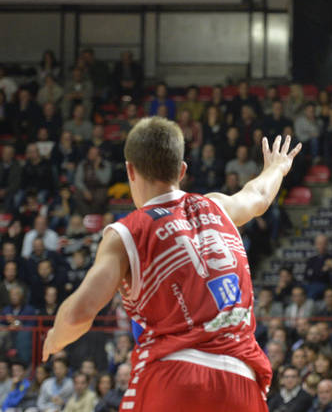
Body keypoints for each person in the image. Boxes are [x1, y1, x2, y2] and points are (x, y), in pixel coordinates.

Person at [42, 117, 302, 411]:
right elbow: (259, 195)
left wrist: (55, 338)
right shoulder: (218, 206)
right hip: (242, 380)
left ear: (130, 170)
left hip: (173, 375)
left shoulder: (128, 232)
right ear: (182, 170)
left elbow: (79, 313)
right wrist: (277, 167)